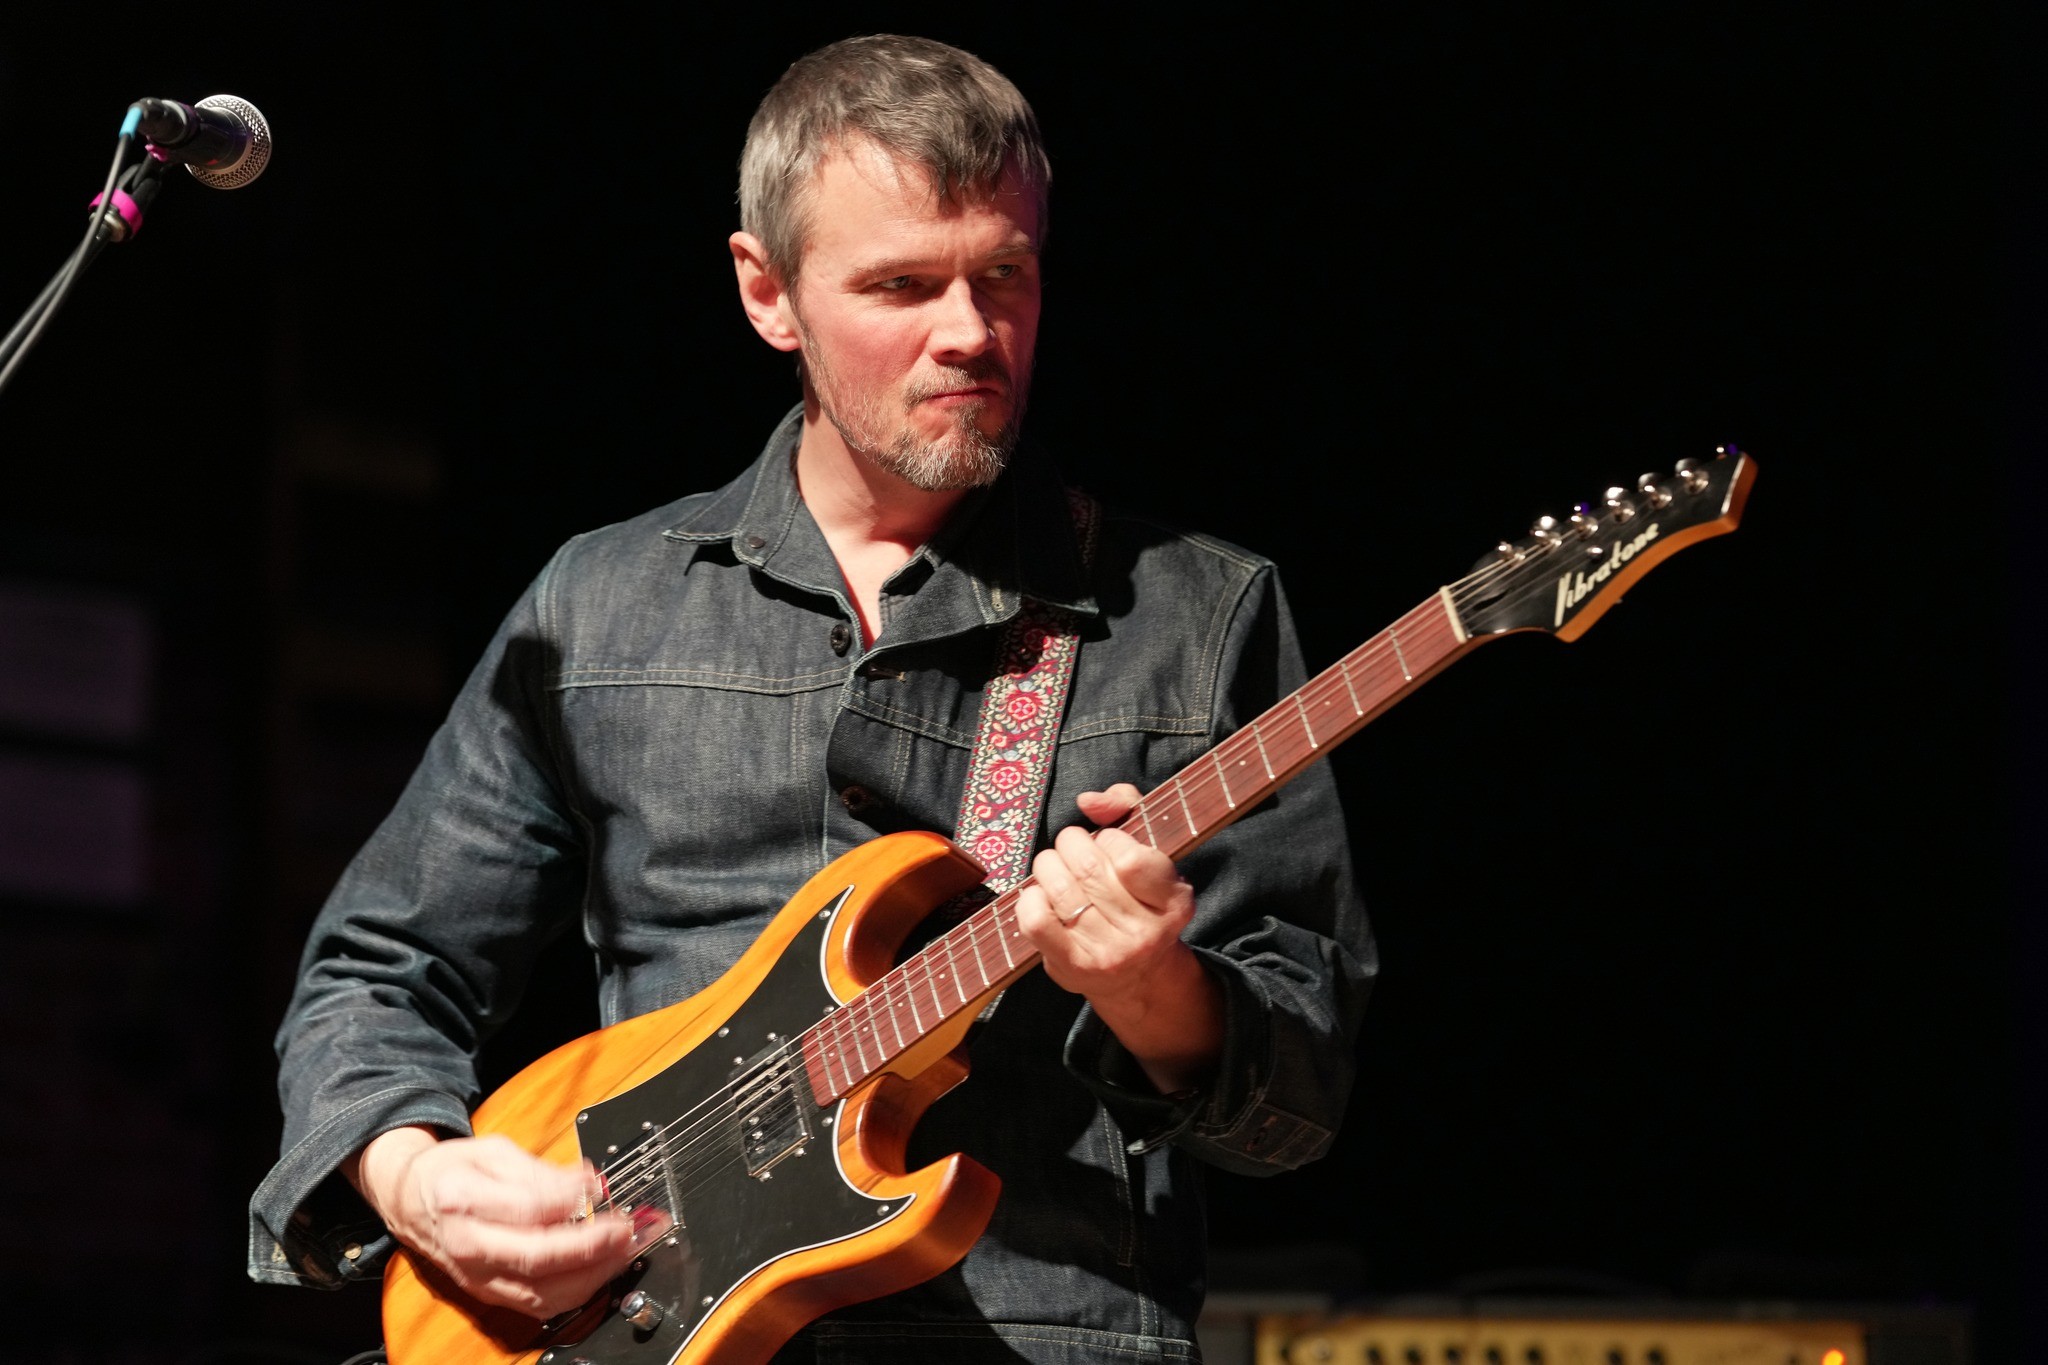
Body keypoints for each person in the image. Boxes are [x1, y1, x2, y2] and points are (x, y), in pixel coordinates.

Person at [249, 34, 1374, 1364]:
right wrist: (417, 1176)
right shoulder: (598, 605)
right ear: (766, 291)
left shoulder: (1197, 614)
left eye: (1004, 275)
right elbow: (380, 968)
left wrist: (1153, 988)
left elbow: (1299, 1098)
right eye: (902, 284)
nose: (969, 332)